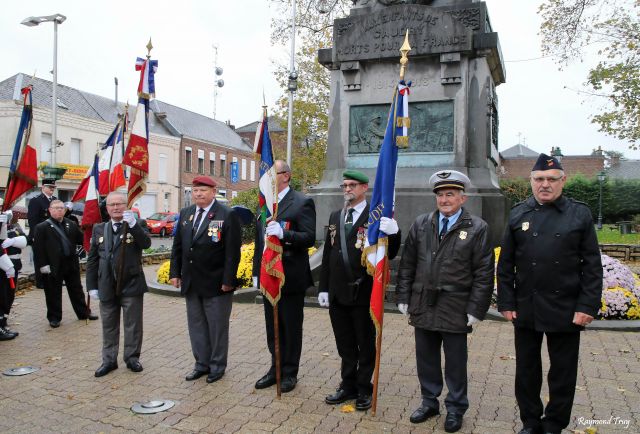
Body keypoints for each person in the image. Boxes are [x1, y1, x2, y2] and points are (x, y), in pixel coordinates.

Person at [497, 154, 602, 434]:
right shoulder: (519, 213)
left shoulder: (579, 214)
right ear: (531, 181)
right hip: (527, 306)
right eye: (539, 179)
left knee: (563, 373)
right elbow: (505, 263)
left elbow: (592, 265)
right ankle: (530, 422)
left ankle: (555, 423)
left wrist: (587, 306)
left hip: (566, 307)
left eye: (551, 179)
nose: (545, 184)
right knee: (527, 371)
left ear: (562, 181)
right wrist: (506, 302)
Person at [395, 170, 494, 433]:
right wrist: (403, 295)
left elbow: (484, 272)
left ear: (463, 198)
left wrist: (476, 308)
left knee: (455, 362)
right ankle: (429, 402)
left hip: (456, 304)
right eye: (440, 195)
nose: (444, 199)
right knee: (425, 358)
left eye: (450, 194)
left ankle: (456, 407)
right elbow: (408, 264)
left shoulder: (477, 227)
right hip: (423, 302)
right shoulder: (421, 223)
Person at [318, 170, 401, 410]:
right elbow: (328, 254)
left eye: (352, 185)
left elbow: (389, 253)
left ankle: (364, 387)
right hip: (337, 292)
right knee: (344, 343)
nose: (347, 190)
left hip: (363, 292)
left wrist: (394, 233)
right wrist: (323, 287)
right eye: (344, 186)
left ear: (365, 188)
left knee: (364, 343)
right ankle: (347, 385)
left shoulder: (375, 216)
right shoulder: (336, 216)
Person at [170, 176, 241, 384]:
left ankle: (218, 366)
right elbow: (178, 247)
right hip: (192, 282)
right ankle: (201, 364)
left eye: (202, 190)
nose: (198, 194)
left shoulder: (227, 215)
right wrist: (175, 273)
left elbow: (232, 252)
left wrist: (228, 280)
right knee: (197, 326)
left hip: (216, 282)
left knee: (217, 328)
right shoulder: (186, 214)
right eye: (195, 190)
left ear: (213, 191)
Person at [252, 160, 316, 393]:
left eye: (274, 174)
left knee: (290, 326)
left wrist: (285, 233)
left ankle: (290, 372)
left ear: (286, 175)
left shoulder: (302, 202)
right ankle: (274, 367)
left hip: (290, 275)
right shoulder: (266, 205)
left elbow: (309, 237)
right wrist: (255, 273)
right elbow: (260, 242)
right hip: (269, 274)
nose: (269, 179)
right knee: (273, 325)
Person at [86, 192, 151, 377]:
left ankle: (132, 358)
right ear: (106, 209)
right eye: (112, 205)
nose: (116, 208)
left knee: (133, 324)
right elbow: (92, 260)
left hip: (131, 284)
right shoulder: (100, 228)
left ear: (126, 206)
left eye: (120, 204)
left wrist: (132, 225)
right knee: (108, 325)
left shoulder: (137, 225)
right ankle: (109, 361)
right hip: (106, 285)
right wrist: (91, 286)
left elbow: (146, 244)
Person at [33, 199, 98, 327]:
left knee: (77, 290)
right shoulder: (42, 227)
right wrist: (42, 265)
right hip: (53, 265)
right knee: (53, 292)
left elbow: (81, 239)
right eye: (56, 208)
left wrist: (90, 233)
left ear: (65, 210)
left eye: (61, 208)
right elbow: (38, 249)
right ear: (50, 210)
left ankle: (83, 313)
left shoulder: (71, 224)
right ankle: (54, 317)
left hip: (71, 263)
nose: (59, 210)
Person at [0, 211, 28, 340]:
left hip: (13, 264)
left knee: (9, 295)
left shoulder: (14, 226)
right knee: (2, 296)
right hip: (3, 266)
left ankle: (3, 322)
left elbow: (24, 241)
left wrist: (13, 241)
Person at [27, 178, 57, 289]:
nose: (52, 189)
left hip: (53, 235)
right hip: (40, 234)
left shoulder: (55, 200)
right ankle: (40, 281)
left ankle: (53, 279)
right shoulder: (36, 200)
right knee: (40, 258)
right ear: (43, 187)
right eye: (50, 187)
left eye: (53, 187)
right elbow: (32, 220)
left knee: (53, 258)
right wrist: (35, 235)